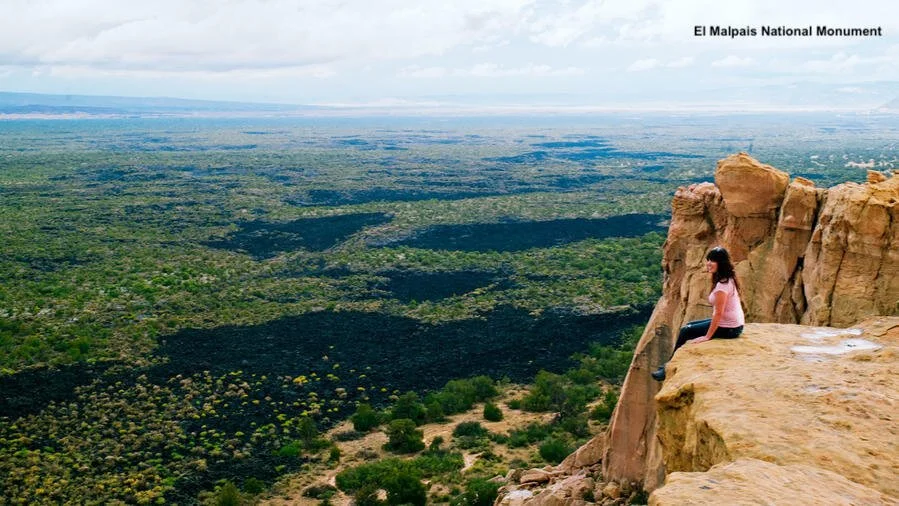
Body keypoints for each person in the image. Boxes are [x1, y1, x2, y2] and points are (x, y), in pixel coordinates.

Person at [652, 246, 745, 381]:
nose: (708, 263)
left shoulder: (722, 286)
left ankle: (668, 368)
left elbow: (718, 314)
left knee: (686, 331)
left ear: (721, 263)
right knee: (689, 325)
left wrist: (708, 336)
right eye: (708, 260)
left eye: (713, 261)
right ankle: (669, 364)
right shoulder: (728, 278)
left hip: (730, 328)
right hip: (733, 325)